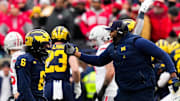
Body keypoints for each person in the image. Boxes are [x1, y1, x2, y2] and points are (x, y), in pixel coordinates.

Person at [64, 20, 179, 101]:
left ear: (119, 32)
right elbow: (99, 60)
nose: (109, 34)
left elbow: (162, 54)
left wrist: (173, 76)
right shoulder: (112, 47)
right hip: (124, 90)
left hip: (142, 90)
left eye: (112, 31)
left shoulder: (137, 42)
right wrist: (77, 53)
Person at [44, 26, 81, 101]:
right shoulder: (69, 48)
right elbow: (75, 69)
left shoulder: (46, 50)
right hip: (64, 85)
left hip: (48, 86)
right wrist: (77, 85)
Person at [15, 29, 51, 101]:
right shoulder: (26, 60)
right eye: (44, 45)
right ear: (36, 45)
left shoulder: (39, 60)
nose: (47, 48)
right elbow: (24, 88)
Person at [89, 25, 118, 101]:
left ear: (102, 37)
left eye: (94, 40)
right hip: (110, 91)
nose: (93, 43)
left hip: (109, 92)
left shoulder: (104, 49)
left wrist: (103, 89)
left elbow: (110, 71)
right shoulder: (111, 47)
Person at [3, 32, 24, 100]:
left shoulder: (14, 58)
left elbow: (15, 76)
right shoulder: (26, 56)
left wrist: (15, 92)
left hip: (20, 93)